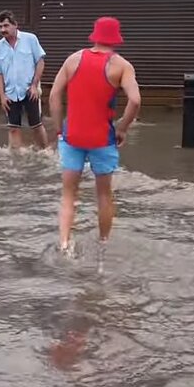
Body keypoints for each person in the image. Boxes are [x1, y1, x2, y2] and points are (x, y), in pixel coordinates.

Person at [48, 16, 141, 254]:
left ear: (95, 36)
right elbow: (135, 100)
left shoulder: (73, 59)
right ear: (116, 39)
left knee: (68, 194)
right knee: (103, 195)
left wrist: (60, 129)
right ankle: (103, 244)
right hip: (102, 138)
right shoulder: (121, 66)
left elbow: (54, 96)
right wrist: (122, 127)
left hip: (73, 136)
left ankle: (65, 244)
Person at [0, 10, 49, 149]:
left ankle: (46, 152)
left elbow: (40, 62)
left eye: (6, 26)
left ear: (15, 25)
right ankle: (15, 159)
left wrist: (34, 85)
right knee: (13, 128)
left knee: (36, 125)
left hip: (28, 90)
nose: (3, 30)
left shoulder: (30, 39)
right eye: (0, 27)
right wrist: (2, 96)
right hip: (11, 93)